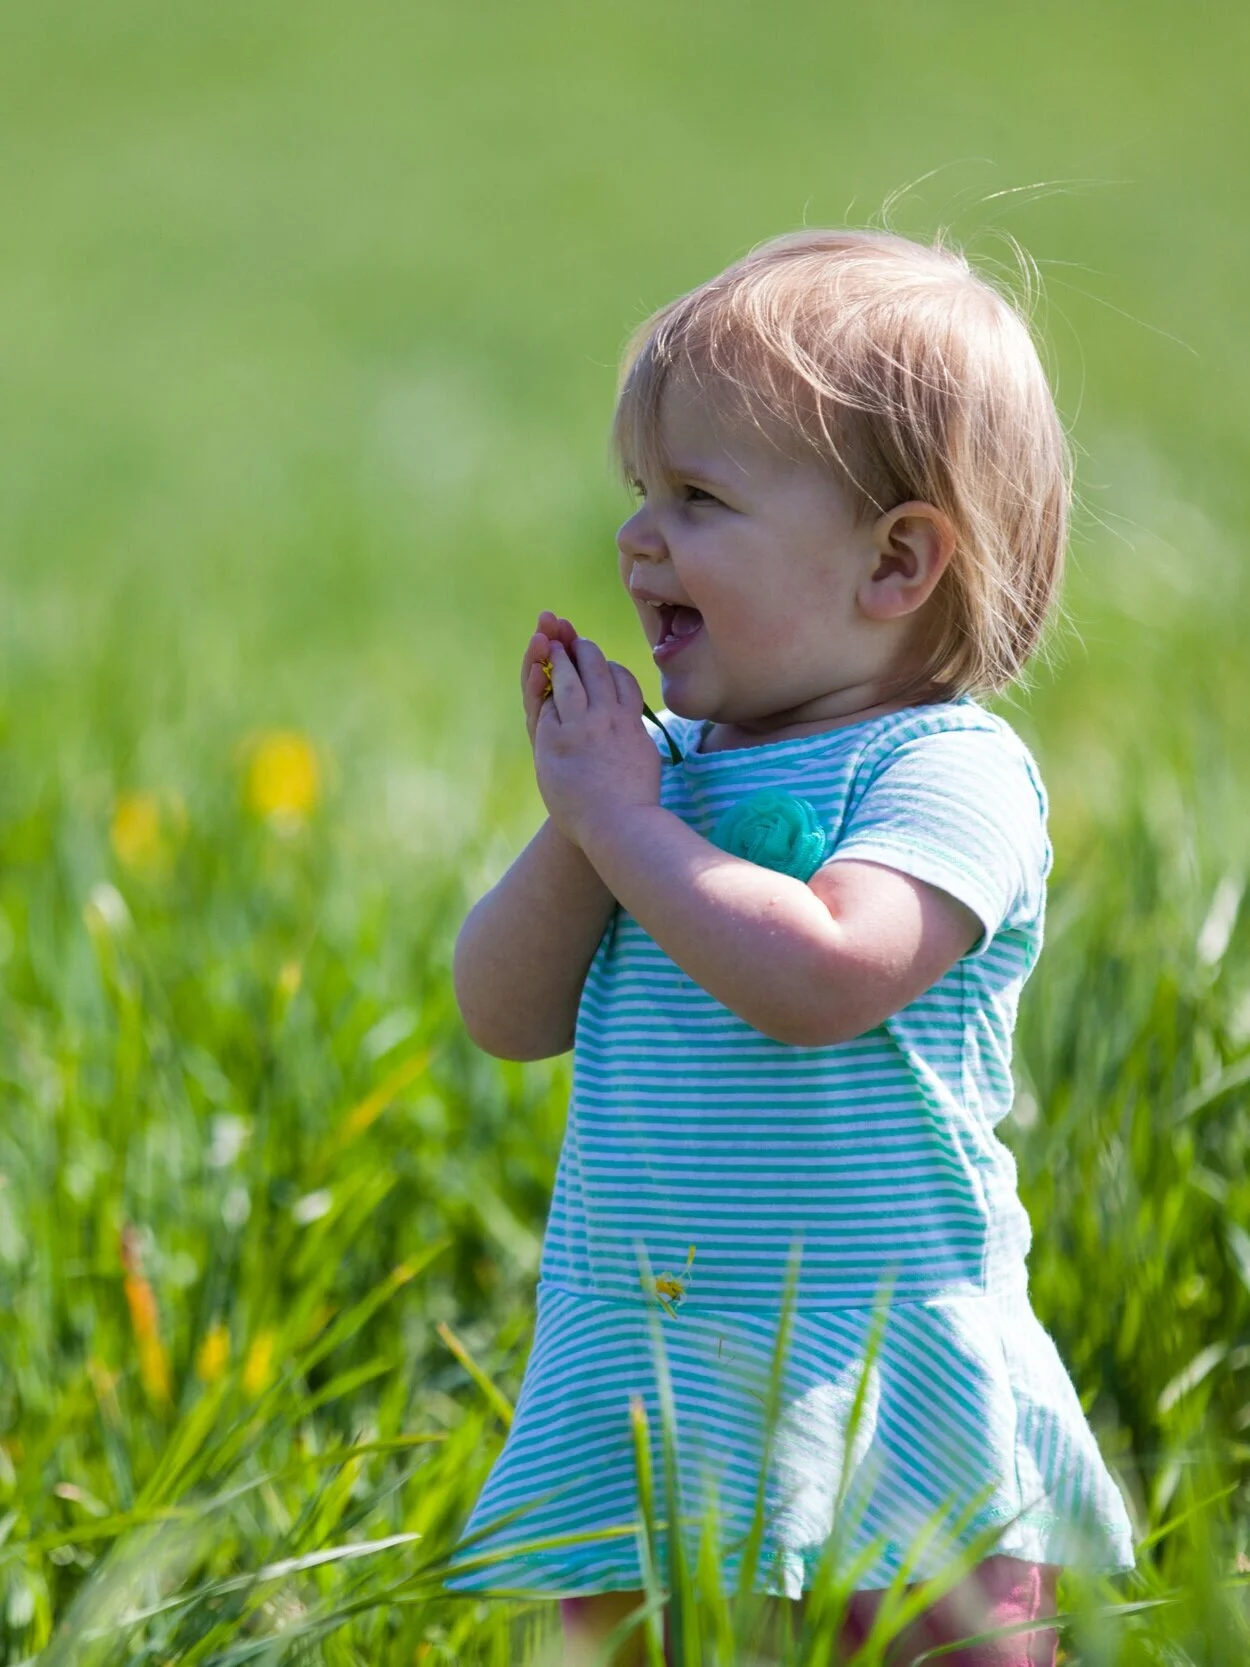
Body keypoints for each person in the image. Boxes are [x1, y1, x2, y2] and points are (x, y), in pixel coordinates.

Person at [447, 229, 1137, 1665]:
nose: (638, 538)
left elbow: (827, 974)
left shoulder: (945, 773)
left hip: (889, 1377)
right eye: (640, 494)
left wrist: (630, 827)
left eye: (696, 498)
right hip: (653, 1374)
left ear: (896, 560)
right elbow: (503, 1010)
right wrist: (589, 819)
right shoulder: (657, 782)